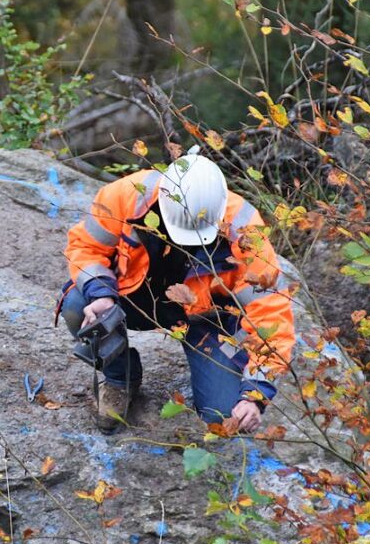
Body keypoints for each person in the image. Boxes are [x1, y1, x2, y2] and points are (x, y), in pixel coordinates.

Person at [60, 149, 296, 434]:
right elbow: (85, 249)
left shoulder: (245, 229)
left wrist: (255, 394)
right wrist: (101, 294)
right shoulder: (125, 196)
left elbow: (271, 313)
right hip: (133, 299)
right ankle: (120, 379)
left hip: (208, 320)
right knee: (76, 302)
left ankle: (222, 384)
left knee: (223, 419)